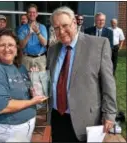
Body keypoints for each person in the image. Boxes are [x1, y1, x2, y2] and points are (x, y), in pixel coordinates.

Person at [47, 6, 117, 142]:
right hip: (57, 116)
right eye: (56, 28)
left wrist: (109, 114)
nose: (61, 31)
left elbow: (108, 83)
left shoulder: (98, 45)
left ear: (74, 22)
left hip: (85, 119)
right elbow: (52, 80)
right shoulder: (52, 50)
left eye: (65, 25)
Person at [0, 28, 47, 142]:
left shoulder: (20, 67)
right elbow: (2, 106)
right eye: (2, 45)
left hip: (22, 129)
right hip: (3, 131)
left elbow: (27, 91)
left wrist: (35, 84)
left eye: (11, 45)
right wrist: (32, 102)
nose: (7, 49)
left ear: (17, 49)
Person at [18, 4, 48, 71]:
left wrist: (37, 32)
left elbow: (45, 43)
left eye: (34, 12)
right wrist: (28, 34)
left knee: (41, 80)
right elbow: (21, 46)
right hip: (26, 59)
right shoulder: (22, 29)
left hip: (40, 59)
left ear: (37, 14)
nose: (32, 14)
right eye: (30, 12)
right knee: (26, 80)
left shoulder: (42, 27)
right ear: (27, 14)